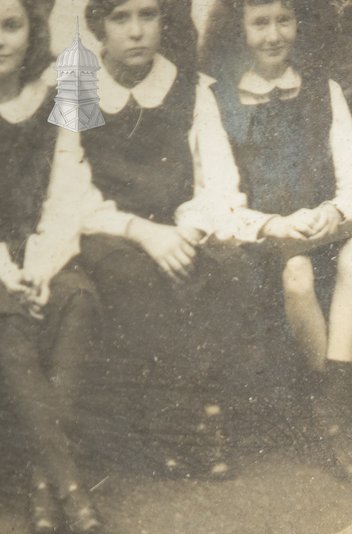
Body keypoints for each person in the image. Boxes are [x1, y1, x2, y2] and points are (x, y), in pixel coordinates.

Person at [69, 0, 273, 478]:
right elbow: (69, 189)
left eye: (148, 16)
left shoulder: (190, 89)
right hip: (109, 229)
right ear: (100, 26)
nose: (137, 32)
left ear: (165, 21)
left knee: (230, 265)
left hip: (181, 222)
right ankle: (162, 423)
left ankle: (203, 414)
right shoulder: (77, 87)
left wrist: (190, 228)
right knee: (133, 276)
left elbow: (218, 177)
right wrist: (142, 232)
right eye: (121, 19)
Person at [202, 0, 352, 477]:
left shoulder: (324, 90)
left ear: (300, 24)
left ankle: (331, 409)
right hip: (265, 238)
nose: (274, 34)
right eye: (260, 23)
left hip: (319, 227)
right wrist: (273, 225)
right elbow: (219, 202)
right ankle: (336, 411)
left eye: (284, 20)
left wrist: (332, 211)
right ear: (239, 31)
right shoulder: (216, 98)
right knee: (296, 273)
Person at [0, 0, 105, 534]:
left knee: (77, 299)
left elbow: (69, 189)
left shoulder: (62, 90)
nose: (0, 40)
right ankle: (69, 489)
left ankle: (43, 484)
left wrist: (39, 266)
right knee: (8, 325)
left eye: (11, 26)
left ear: (30, 31)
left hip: (45, 247)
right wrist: (8, 272)